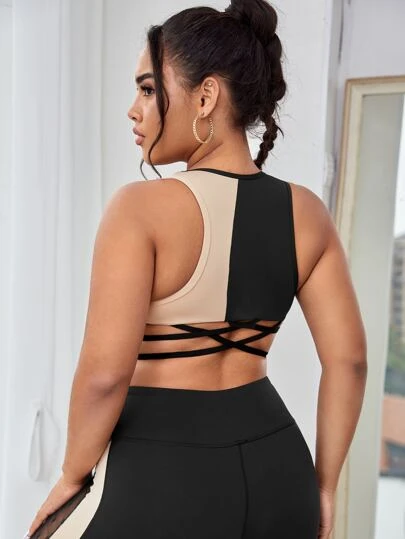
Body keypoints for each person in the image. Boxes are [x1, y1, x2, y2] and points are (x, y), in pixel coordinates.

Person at [24, 1, 367, 538]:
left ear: (205, 97)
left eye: (147, 89)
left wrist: (71, 476)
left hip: (161, 471)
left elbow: (104, 376)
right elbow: (349, 363)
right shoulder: (307, 214)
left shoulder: (139, 209)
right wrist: (322, 487)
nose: (133, 111)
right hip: (279, 472)